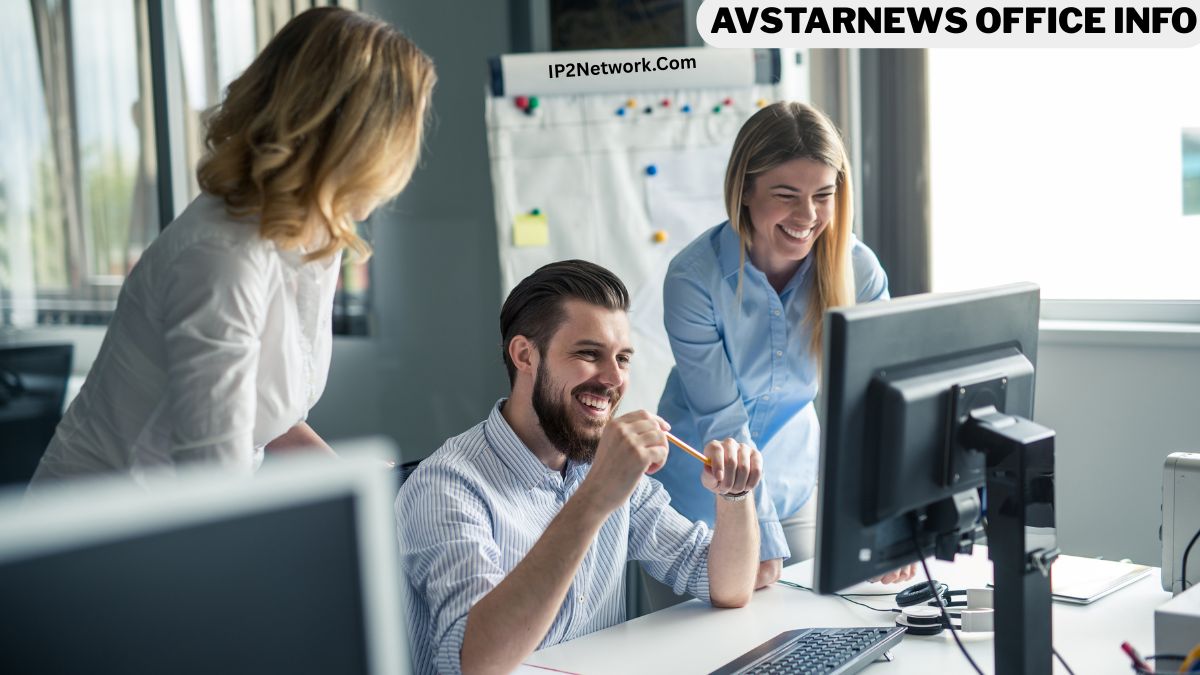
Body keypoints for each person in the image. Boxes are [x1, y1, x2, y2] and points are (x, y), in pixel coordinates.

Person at [30, 7, 435, 485]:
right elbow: (213, 480)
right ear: (359, 141)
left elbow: (264, 415)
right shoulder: (221, 258)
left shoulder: (310, 236)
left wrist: (356, 483)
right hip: (105, 528)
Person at [396, 260, 765, 675]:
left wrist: (735, 495)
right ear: (524, 355)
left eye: (623, 359)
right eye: (589, 354)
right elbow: (473, 664)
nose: (613, 379)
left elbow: (727, 587)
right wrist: (596, 498)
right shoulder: (446, 487)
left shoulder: (600, 463)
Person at [653, 101, 916, 590]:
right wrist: (761, 540)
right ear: (745, 190)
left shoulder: (857, 271)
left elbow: (877, 406)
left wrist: (887, 514)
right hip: (696, 501)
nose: (808, 215)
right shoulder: (695, 279)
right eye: (786, 194)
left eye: (823, 194)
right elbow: (724, 424)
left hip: (796, 488)